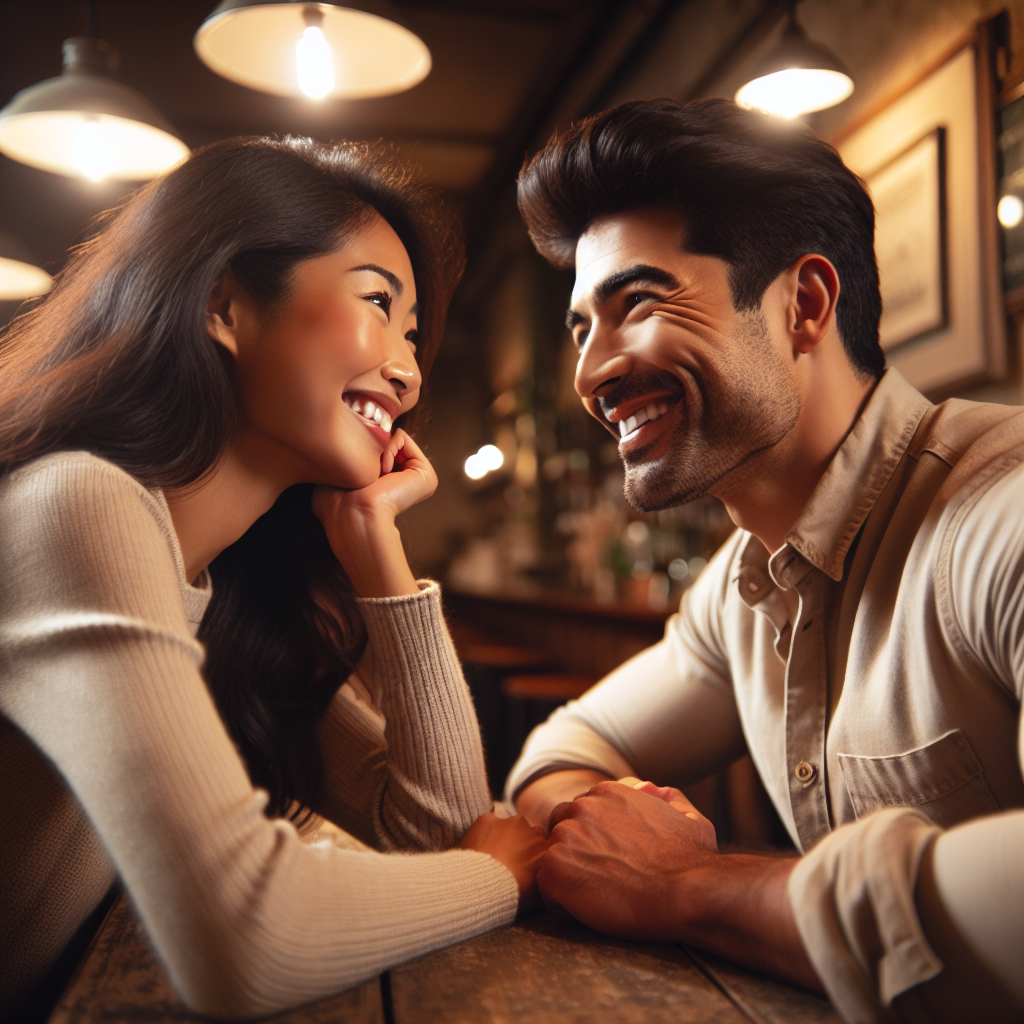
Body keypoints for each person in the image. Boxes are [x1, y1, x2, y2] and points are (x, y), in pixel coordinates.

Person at [0, 136, 547, 1023]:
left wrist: (377, 546)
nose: (409, 372)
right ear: (226, 306)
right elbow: (247, 941)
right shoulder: (78, 503)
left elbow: (435, 828)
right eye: (379, 303)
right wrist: (499, 877)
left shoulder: (222, 592)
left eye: (415, 338)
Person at [507, 98, 1023, 1023]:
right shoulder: (741, 590)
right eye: (584, 327)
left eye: (639, 303)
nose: (590, 373)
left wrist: (685, 886)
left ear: (805, 305)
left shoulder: (1001, 518)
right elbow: (561, 751)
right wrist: (622, 842)